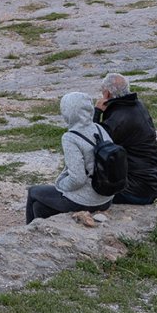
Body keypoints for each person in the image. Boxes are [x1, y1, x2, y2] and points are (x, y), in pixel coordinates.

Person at [25, 92, 115, 224]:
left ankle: (28, 233)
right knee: (39, 207)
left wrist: (60, 186)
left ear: (68, 112)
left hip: (87, 200)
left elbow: (77, 179)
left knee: (33, 192)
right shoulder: (99, 129)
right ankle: (40, 230)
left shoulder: (71, 137)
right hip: (106, 198)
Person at [93, 72, 157, 205]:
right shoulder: (137, 106)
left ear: (107, 94)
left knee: (89, 191)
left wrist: (97, 111)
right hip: (150, 184)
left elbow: (93, 141)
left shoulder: (119, 118)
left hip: (136, 191)